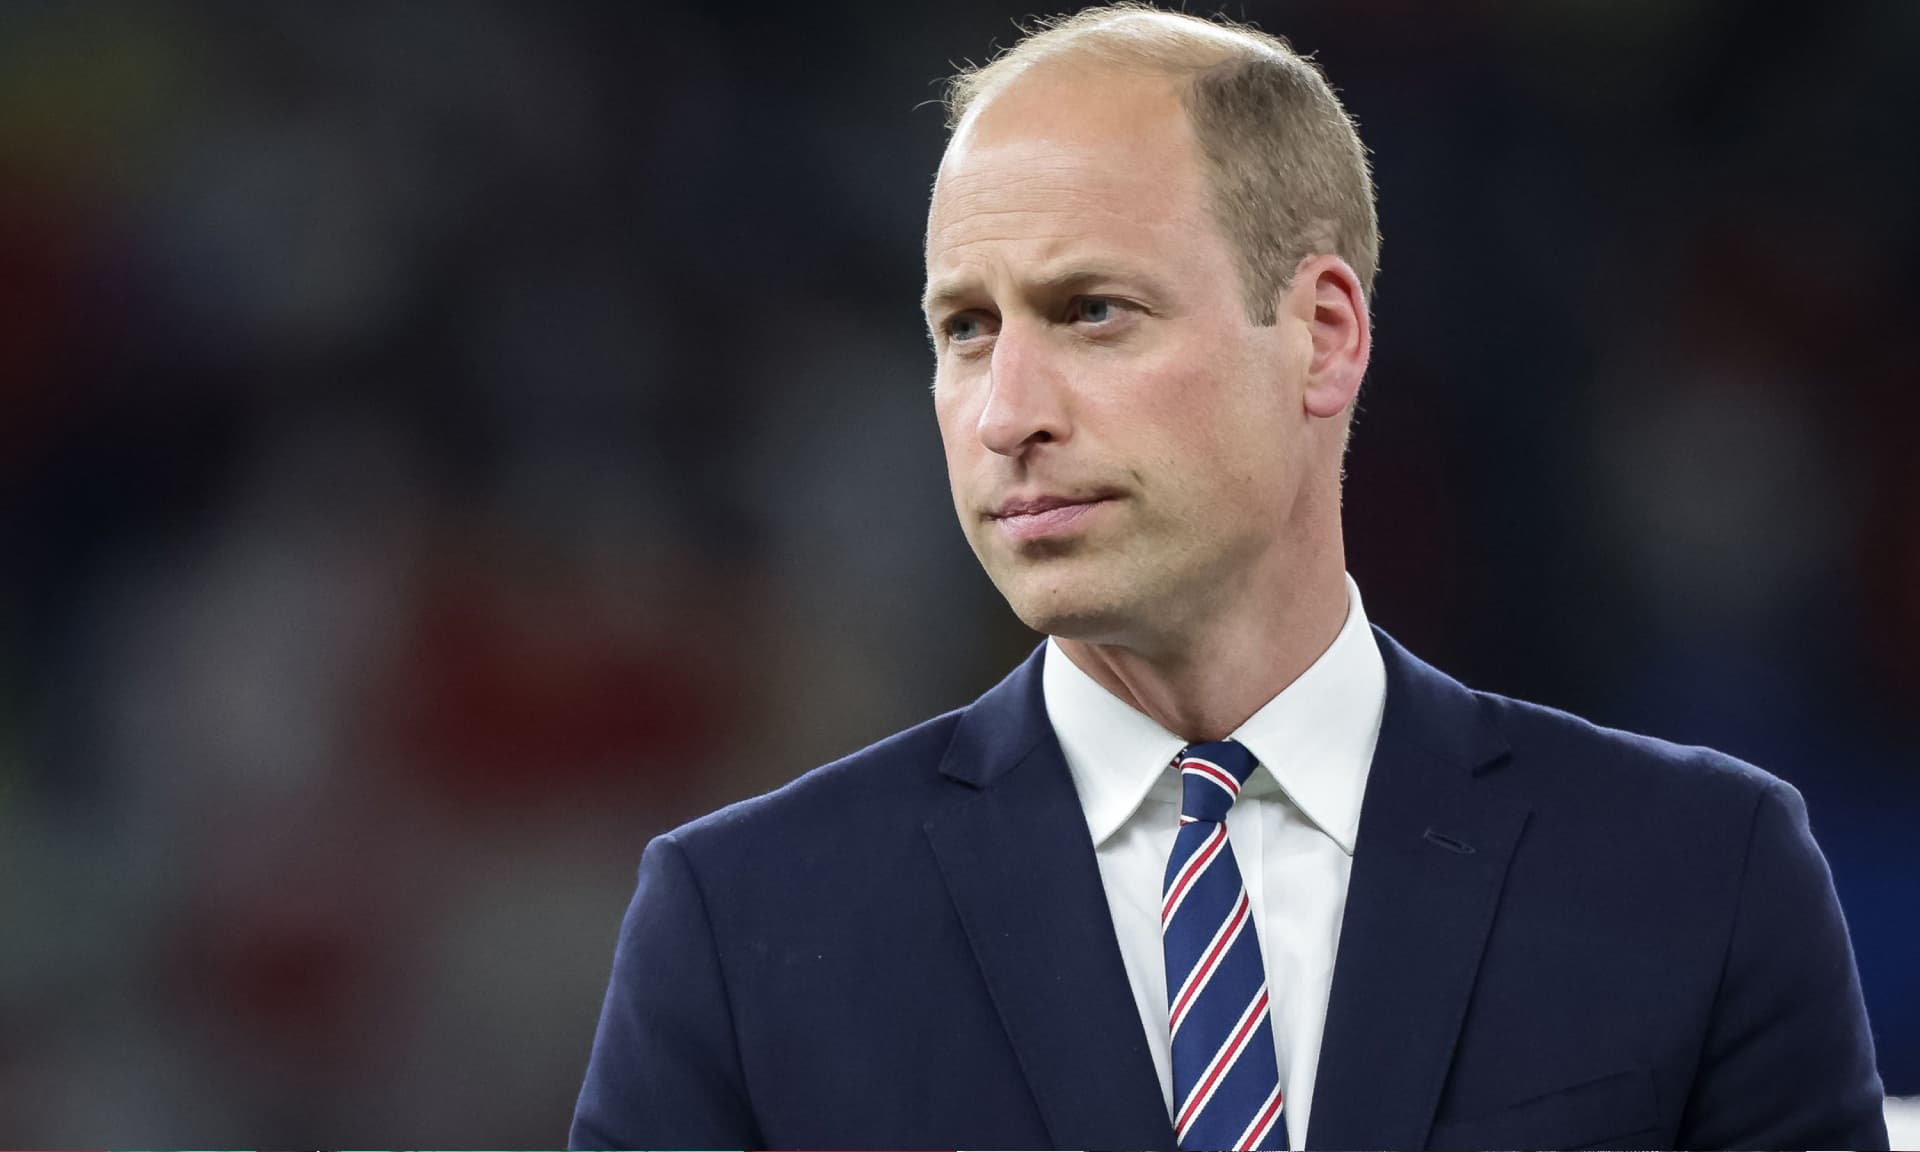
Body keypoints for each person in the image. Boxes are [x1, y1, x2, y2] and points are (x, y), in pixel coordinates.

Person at [570, 6, 1887, 1149]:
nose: (1004, 412)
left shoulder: (1701, 879)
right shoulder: (742, 929)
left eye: (1093, 311)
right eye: (965, 329)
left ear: (1321, 337)